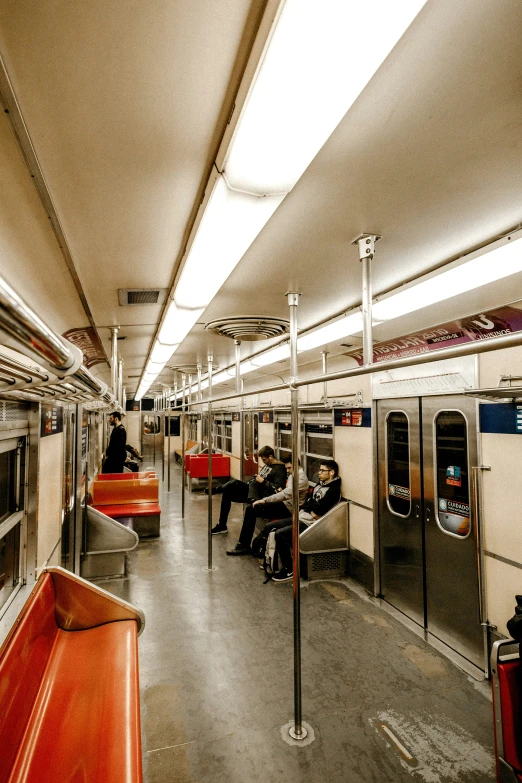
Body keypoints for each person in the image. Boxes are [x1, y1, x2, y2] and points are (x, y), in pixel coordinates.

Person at [267, 459, 342, 583]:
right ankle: (270, 560)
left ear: (332, 472)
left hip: (312, 523)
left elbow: (320, 510)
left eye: (323, 471)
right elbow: (309, 503)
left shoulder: (333, 490)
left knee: (281, 535)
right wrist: (312, 507)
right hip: (303, 516)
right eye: (320, 470)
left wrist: (312, 507)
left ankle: (289, 569)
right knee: (271, 526)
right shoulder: (320, 485)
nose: (319, 473)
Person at [226, 455, 309, 555]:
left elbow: (286, 494)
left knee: (252, 509)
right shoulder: (293, 475)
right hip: (284, 503)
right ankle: (244, 544)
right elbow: (287, 492)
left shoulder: (301, 479)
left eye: (289, 468)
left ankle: (244, 545)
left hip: (289, 508)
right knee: (252, 504)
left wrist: (264, 500)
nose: (287, 471)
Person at [209, 445, 286, 535]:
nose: (263, 462)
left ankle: (217, 490)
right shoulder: (267, 465)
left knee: (235, 483)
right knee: (227, 494)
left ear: (270, 457)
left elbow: (278, 489)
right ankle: (222, 525)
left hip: (261, 495)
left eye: (264, 460)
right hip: (253, 490)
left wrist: (263, 481)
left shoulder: (279, 469)